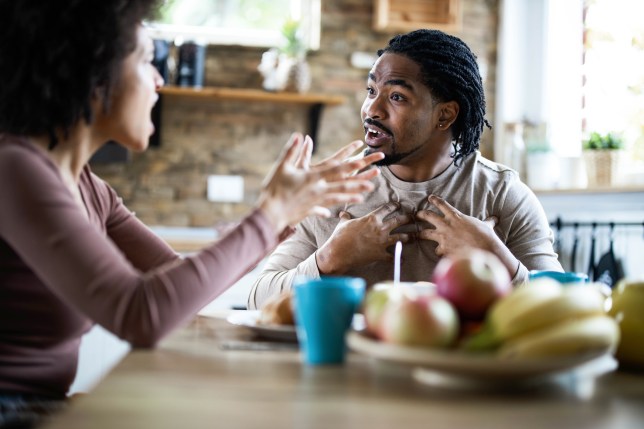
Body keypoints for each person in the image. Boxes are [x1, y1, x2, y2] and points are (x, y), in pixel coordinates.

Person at [0, 0, 384, 425]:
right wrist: (268, 215)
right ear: (93, 75)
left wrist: (281, 218)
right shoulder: (15, 169)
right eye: (148, 61)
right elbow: (140, 314)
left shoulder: (91, 189)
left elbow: (180, 280)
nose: (159, 80)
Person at [248, 29, 564, 310]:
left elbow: (561, 311)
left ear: (444, 116)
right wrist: (329, 259)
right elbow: (259, 299)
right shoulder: (333, 190)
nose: (372, 109)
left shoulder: (502, 195)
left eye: (397, 97)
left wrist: (499, 260)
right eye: (371, 91)